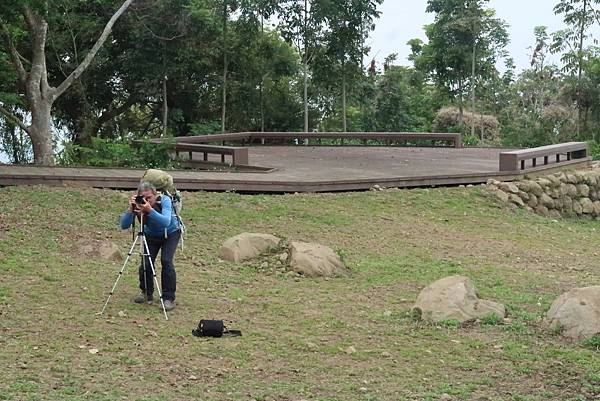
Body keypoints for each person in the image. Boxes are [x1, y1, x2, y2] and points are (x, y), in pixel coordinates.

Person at [120, 181, 180, 311]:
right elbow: (124, 225)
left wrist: (150, 210)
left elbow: (165, 221)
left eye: (149, 198)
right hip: (151, 235)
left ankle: (168, 298)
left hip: (170, 232)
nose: (146, 201)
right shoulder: (138, 204)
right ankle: (146, 292)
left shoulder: (164, 200)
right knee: (146, 263)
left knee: (166, 260)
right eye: (143, 198)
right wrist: (131, 209)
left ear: (155, 194)